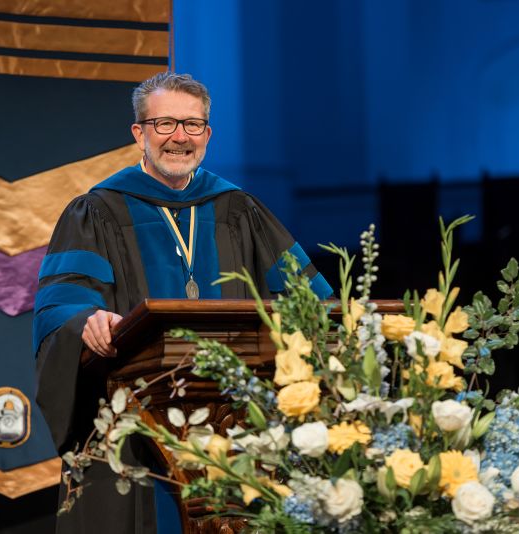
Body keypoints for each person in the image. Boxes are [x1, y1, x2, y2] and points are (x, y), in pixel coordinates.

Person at [34, 72, 332, 534]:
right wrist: (86, 320)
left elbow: (310, 304)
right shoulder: (97, 211)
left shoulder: (239, 210)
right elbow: (62, 304)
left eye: (193, 126)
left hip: (235, 428)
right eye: (165, 123)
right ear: (140, 133)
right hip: (133, 427)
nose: (179, 137)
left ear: (207, 135)